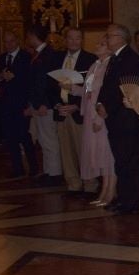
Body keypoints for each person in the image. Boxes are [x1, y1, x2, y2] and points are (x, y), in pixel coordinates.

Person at [97, 24, 139, 214]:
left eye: (109, 36)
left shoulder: (130, 58)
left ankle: (131, 201)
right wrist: (100, 103)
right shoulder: (115, 58)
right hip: (116, 118)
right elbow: (107, 85)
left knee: (129, 161)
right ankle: (123, 197)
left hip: (127, 118)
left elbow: (127, 89)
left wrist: (109, 107)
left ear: (120, 38)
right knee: (120, 160)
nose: (106, 39)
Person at [53, 28, 97, 196]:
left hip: (79, 111)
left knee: (84, 150)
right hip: (61, 111)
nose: (74, 42)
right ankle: (73, 183)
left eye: (77, 38)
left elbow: (91, 88)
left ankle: (90, 184)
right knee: (66, 151)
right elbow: (50, 85)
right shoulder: (57, 58)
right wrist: (57, 105)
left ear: (82, 40)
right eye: (70, 38)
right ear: (65, 40)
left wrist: (77, 106)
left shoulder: (90, 60)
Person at [79, 37, 116, 207]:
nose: (97, 45)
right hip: (90, 113)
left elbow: (104, 94)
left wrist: (98, 117)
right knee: (97, 153)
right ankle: (104, 189)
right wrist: (71, 87)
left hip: (100, 115)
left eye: (101, 43)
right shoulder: (95, 65)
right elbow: (89, 90)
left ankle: (110, 191)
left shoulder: (110, 66)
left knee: (106, 153)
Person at [25, 26, 63, 185]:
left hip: (45, 104)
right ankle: (48, 171)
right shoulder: (39, 54)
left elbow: (47, 82)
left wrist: (43, 103)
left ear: (33, 36)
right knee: (42, 138)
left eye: (28, 36)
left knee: (49, 139)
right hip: (39, 103)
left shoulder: (47, 54)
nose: (27, 39)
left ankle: (55, 173)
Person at [0, 31, 34, 177]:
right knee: (10, 137)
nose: (9, 44)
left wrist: (14, 77)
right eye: (6, 42)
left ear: (17, 41)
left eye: (11, 41)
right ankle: (17, 168)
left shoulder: (26, 57)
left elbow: (29, 80)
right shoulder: (2, 58)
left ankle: (33, 167)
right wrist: (0, 76)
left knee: (24, 135)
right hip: (6, 104)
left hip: (21, 103)